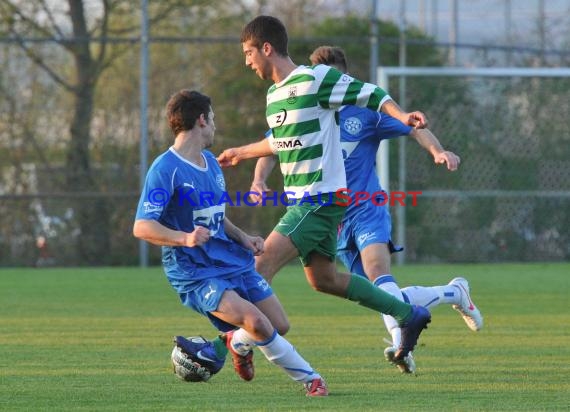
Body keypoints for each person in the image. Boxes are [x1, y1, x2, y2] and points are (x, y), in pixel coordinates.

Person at [248, 45, 484, 374]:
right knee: (377, 293)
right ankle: (452, 292)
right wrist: (259, 180)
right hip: (333, 219)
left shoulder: (366, 113)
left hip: (367, 209)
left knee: (379, 275)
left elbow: (414, 126)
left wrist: (438, 151)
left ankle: (403, 346)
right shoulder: (304, 106)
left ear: (345, 77)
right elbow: (273, 145)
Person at [217, 15, 431, 364]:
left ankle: (220, 347)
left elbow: (372, 94)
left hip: (317, 201)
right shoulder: (274, 96)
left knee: (257, 267)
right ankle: (408, 315)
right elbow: (280, 143)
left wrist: (402, 114)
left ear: (266, 48)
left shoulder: (315, 78)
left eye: (248, 52)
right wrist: (241, 152)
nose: (246, 61)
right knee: (324, 279)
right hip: (306, 202)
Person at [133, 89, 328, 396]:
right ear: (200, 120)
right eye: (212, 119)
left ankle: (231, 342)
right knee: (257, 323)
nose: (215, 125)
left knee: (278, 323)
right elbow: (142, 226)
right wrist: (184, 238)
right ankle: (312, 380)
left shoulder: (210, 163)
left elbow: (215, 216)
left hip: (228, 259)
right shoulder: (165, 169)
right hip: (194, 271)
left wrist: (243, 237)